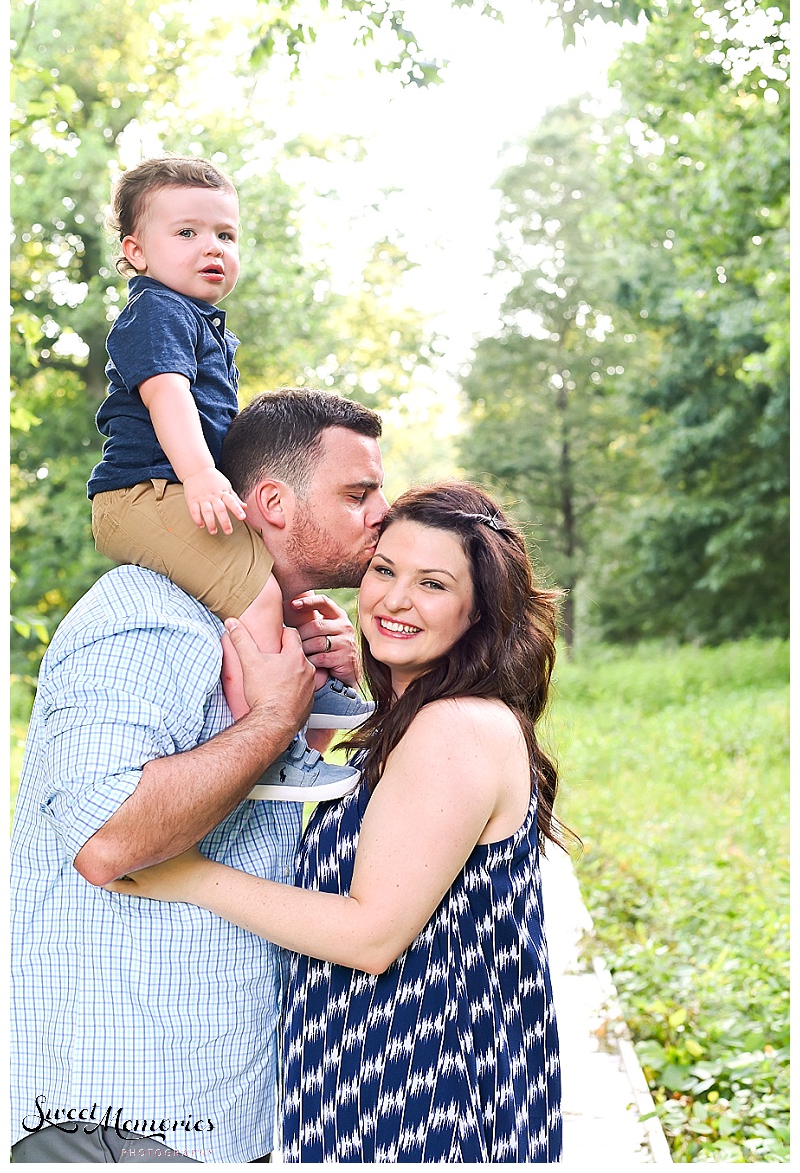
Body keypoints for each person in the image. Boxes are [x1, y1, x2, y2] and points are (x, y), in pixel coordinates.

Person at [107, 481, 566, 1163]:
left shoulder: (455, 726)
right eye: (385, 569)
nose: (394, 598)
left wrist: (187, 874)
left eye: (433, 584)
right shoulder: (416, 720)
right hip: (381, 1090)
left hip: (426, 1106)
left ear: (478, 612)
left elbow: (371, 933)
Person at [10, 388, 388, 1163]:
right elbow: (106, 835)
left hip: (223, 1105)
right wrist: (273, 719)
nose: (382, 510)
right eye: (359, 493)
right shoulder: (149, 611)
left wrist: (323, 704)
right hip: (121, 1110)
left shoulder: (285, 638)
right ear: (274, 503)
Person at [87, 154, 368, 784]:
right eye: (185, 232)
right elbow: (167, 396)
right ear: (136, 250)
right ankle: (271, 752)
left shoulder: (204, 325)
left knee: (287, 596)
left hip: (172, 489)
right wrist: (203, 477)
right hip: (142, 495)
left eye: (225, 234)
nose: (210, 247)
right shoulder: (156, 313)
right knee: (261, 597)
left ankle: (313, 704)